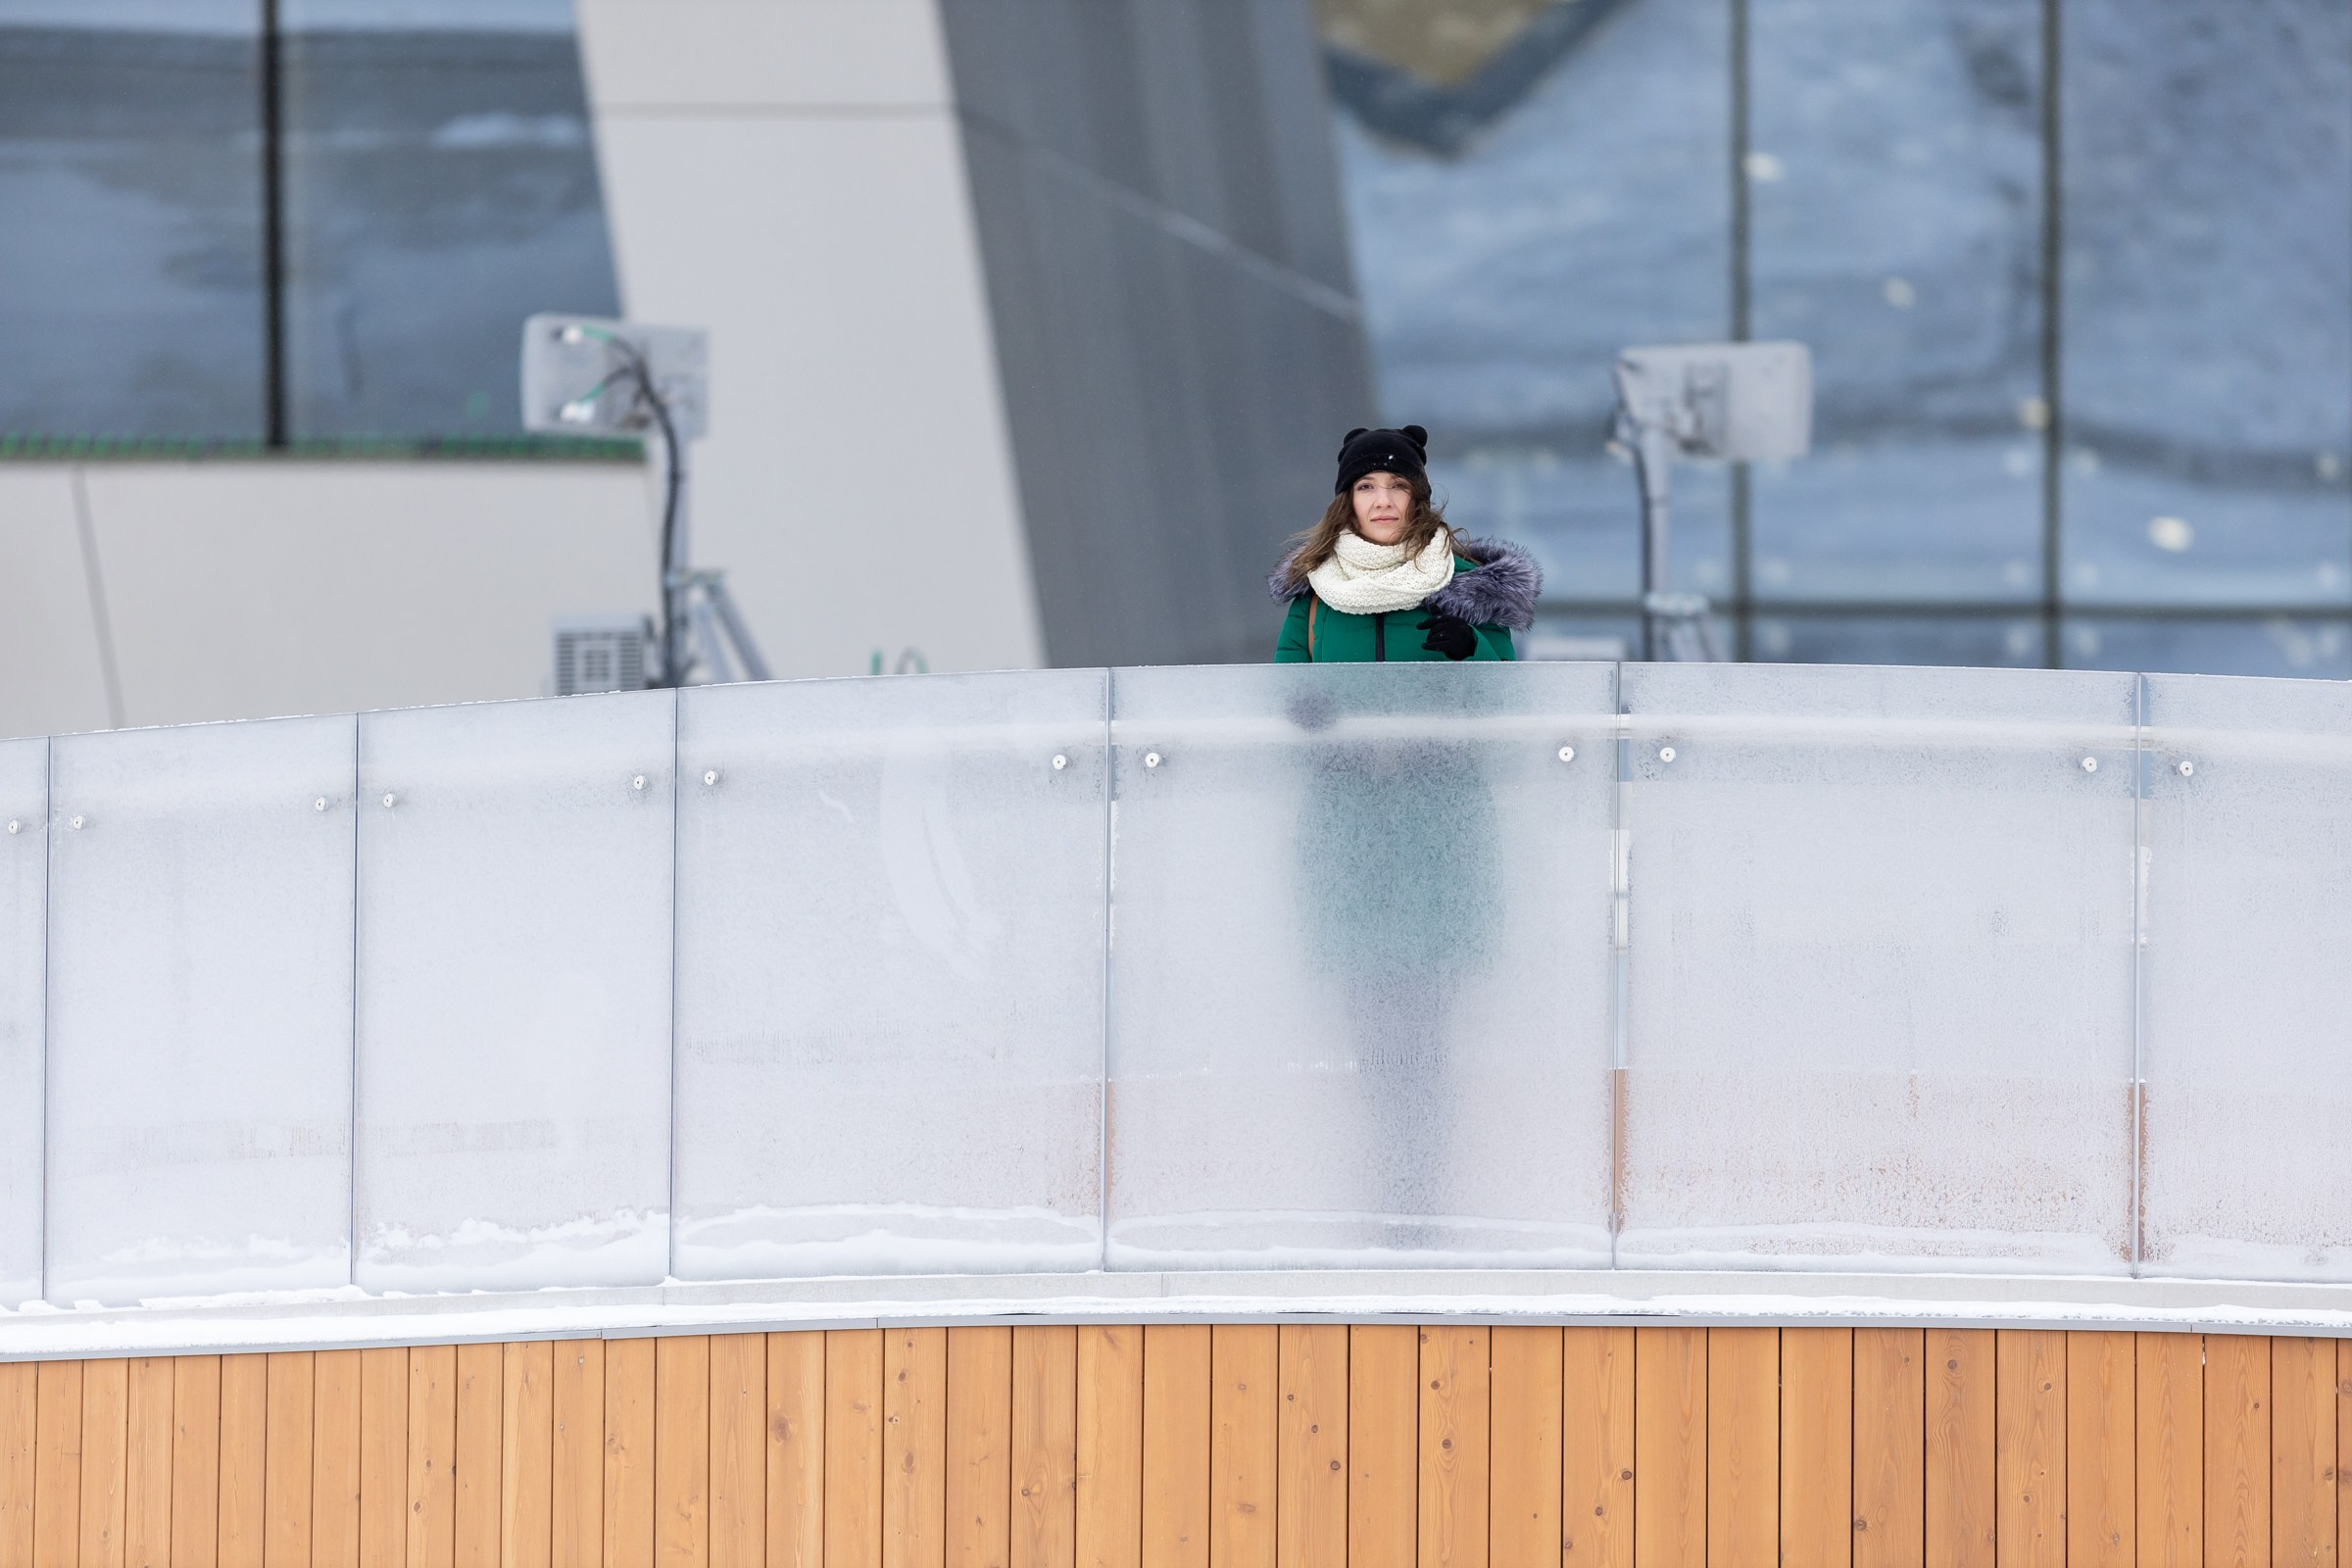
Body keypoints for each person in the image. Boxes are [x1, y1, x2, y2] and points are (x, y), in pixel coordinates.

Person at [1269, 425, 1540, 661]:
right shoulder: (1316, 589)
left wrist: (1472, 649)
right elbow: (1290, 695)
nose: (1383, 501)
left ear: (1417, 499)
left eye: (1398, 485)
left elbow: (1505, 694)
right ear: (1348, 502)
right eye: (1366, 487)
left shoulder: (1471, 587)